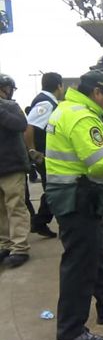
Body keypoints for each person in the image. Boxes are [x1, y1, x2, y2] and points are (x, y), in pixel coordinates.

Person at [45, 70, 103, 340]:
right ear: (97, 93)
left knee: (96, 253)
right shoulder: (83, 117)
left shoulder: (67, 109)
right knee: (79, 265)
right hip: (78, 197)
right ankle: (70, 332)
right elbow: (98, 161)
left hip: (77, 194)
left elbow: (86, 150)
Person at [24, 72, 64, 238]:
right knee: (56, 189)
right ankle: (41, 221)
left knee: (53, 189)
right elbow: (29, 127)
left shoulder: (47, 101)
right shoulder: (45, 103)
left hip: (47, 154)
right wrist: (33, 151)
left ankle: (41, 221)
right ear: (59, 86)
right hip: (44, 155)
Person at [0, 73, 31, 268]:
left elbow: (21, 125)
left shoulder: (10, 107)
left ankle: (20, 248)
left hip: (12, 168)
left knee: (15, 207)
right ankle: (5, 244)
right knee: (1, 210)